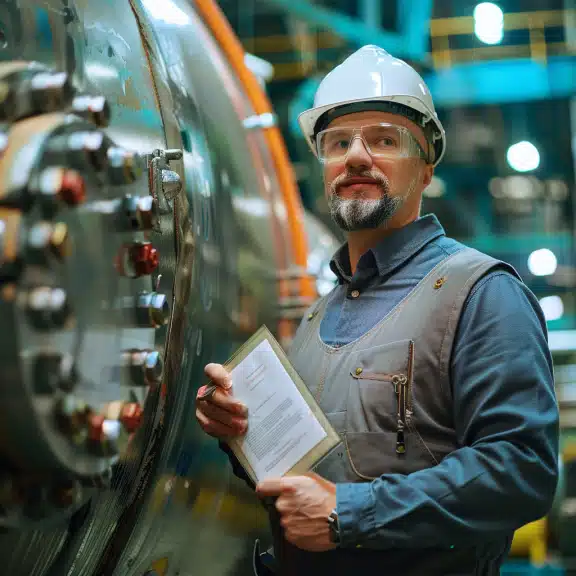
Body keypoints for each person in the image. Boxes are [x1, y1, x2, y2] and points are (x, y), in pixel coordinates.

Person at [195, 45, 559, 576]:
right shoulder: (318, 318)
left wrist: (350, 514)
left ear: (426, 166)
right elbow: (315, 483)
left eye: (384, 139)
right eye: (338, 142)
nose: (357, 156)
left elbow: (522, 470)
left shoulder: (480, 293)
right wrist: (241, 434)